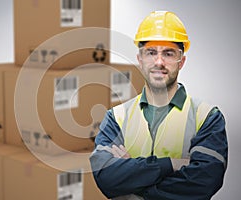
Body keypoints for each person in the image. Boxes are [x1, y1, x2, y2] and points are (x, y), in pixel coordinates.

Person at [89, 11, 228, 200]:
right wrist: (170, 165)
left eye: (169, 53)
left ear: (182, 61)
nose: (159, 62)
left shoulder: (206, 117)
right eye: (151, 52)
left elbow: (204, 181)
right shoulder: (117, 117)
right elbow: (105, 176)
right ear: (140, 60)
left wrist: (134, 185)